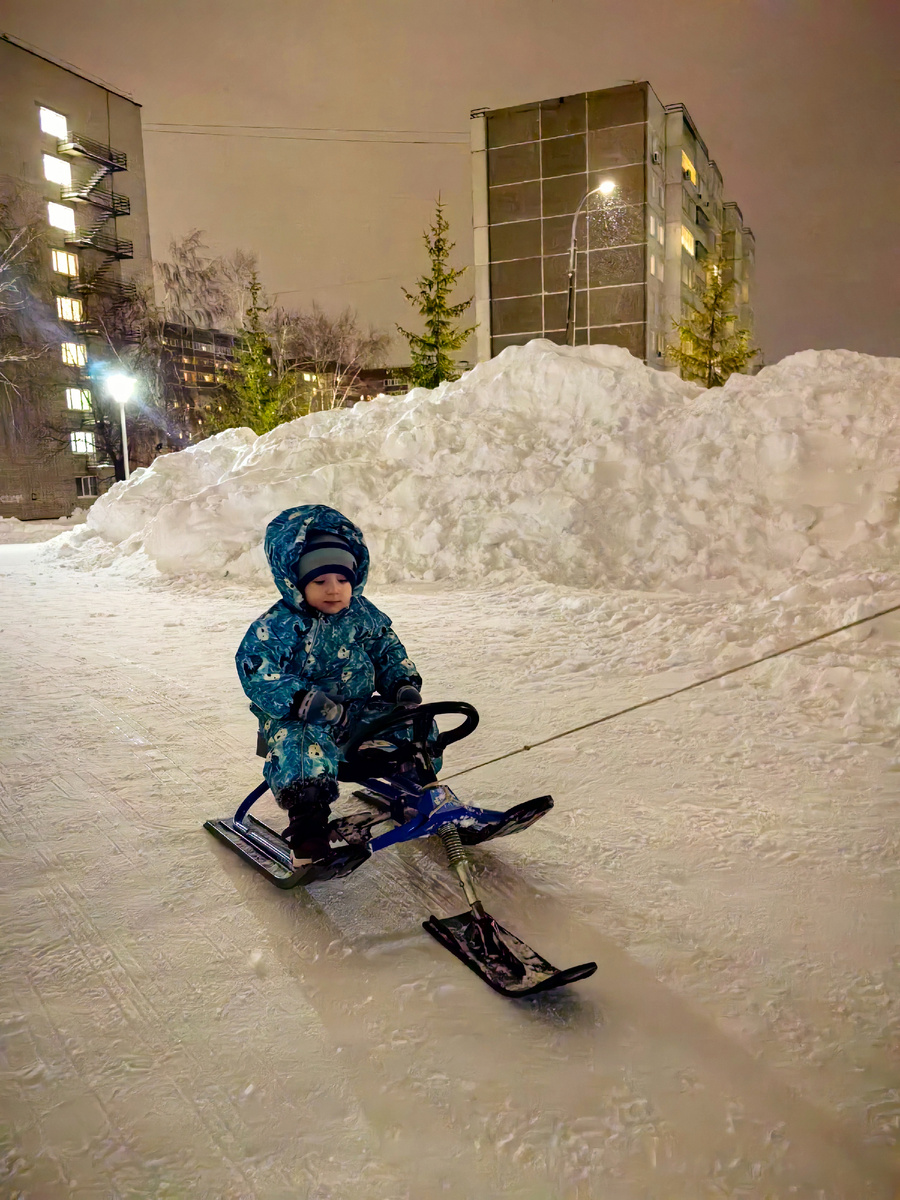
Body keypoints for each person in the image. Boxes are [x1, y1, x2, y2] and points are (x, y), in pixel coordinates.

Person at [236, 504, 424, 868]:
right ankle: (308, 828)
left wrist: (402, 685)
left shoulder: (363, 615)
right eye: (320, 581)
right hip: (297, 717)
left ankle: (416, 787)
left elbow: (386, 649)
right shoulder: (277, 625)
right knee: (302, 745)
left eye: (343, 580)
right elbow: (256, 667)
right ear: (297, 581)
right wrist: (304, 700)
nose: (334, 590)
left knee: (415, 722)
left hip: (352, 711)